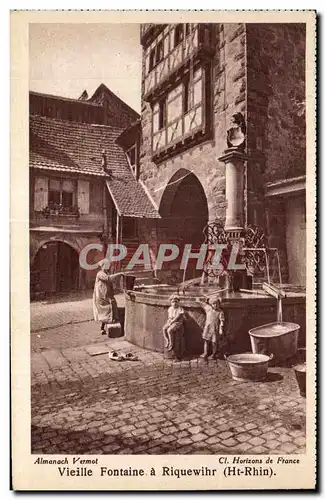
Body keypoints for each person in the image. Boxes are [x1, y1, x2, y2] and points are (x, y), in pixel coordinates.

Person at [93, 260, 122, 335]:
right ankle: (102, 328)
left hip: (107, 295)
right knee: (104, 311)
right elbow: (108, 278)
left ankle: (111, 326)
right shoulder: (100, 273)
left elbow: (110, 281)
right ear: (102, 266)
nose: (107, 267)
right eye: (106, 266)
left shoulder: (106, 273)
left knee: (111, 308)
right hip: (101, 296)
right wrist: (118, 274)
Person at [196, 295, 225, 360]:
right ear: (211, 304)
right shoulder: (208, 308)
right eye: (213, 304)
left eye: (217, 304)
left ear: (219, 304)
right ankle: (205, 353)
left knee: (214, 342)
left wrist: (221, 329)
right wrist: (202, 299)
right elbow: (200, 303)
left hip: (215, 329)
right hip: (208, 328)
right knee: (206, 341)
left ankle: (213, 354)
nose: (215, 305)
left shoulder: (220, 312)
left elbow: (222, 321)